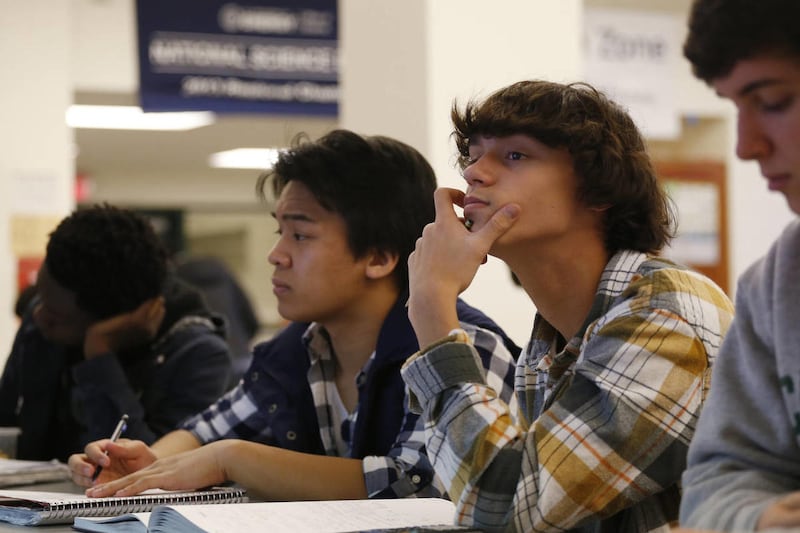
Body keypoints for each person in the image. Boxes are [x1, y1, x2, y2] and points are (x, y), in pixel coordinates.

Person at [69, 129, 520, 501]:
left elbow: (416, 482)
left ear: (379, 257)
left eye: (300, 236)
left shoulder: (460, 344)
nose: (275, 255)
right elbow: (205, 431)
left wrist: (231, 459)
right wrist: (142, 468)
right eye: (279, 231)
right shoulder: (298, 348)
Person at [400, 80, 735, 532]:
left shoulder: (665, 313)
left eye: (514, 155)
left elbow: (509, 506)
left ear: (599, 192)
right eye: (474, 155)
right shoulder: (551, 340)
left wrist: (433, 307)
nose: (475, 173)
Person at [679, 1, 800, 531]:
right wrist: (756, 516)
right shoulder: (778, 280)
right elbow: (715, 486)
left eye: (774, 101)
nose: (746, 146)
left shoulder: (659, 313)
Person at [0, 205, 233, 462]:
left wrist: (99, 359)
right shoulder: (45, 317)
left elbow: (150, 470)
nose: (38, 316)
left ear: (113, 319)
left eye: (56, 317)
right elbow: (6, 420)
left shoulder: (197, 354)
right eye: (40, 297)